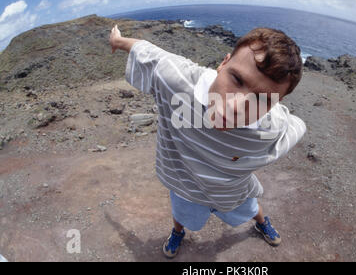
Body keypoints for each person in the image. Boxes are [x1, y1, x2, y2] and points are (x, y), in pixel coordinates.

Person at [110, 24, 307, 259]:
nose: (234, 107)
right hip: (185, 186)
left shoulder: (271, 128)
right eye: (236, 78)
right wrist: (119, 41)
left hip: (231, 192)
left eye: (261, 99)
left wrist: (119, 42)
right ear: (222, 64)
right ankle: (177, 232)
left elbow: (298, 126)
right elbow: (147, 51)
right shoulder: (177, 81)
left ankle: (262, 223)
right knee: (181, 214)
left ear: (276, 103)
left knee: (252, 208)